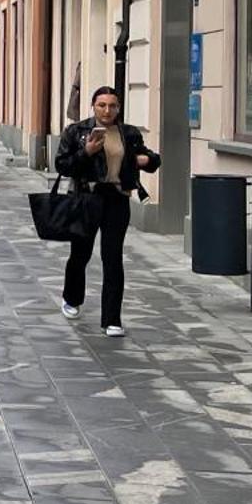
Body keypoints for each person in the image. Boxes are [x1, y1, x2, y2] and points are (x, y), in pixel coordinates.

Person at [53, 85, 159, 337]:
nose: (107, 110)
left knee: (113, 258)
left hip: (117, 198)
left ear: (118, 108)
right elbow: (62, 165)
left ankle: (112, 319)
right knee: (81, 254)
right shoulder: (76, 131)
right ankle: (72, 297)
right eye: (102, 105)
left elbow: (152, 160)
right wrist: (86, 152)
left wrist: (146, 161)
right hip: (86, 198)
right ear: (93, 106)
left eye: (112, 105)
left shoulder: (129, 133)